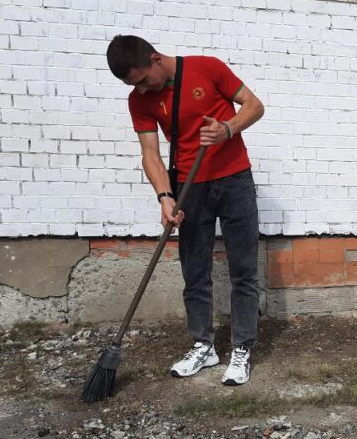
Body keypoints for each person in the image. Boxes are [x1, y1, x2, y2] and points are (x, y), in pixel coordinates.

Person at [106, 35, 265, 386]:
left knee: (243, 269)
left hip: (235, 180)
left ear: (155, 59)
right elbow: (150, 154)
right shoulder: (139, 100)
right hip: (189, 188)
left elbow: (254, 106)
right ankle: (203, 346)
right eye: (133, 86)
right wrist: (165, 197)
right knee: (194, 271)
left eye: (143, 80)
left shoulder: (207, 69)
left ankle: (242, 347)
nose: (141, 90)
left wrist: (227, 129)